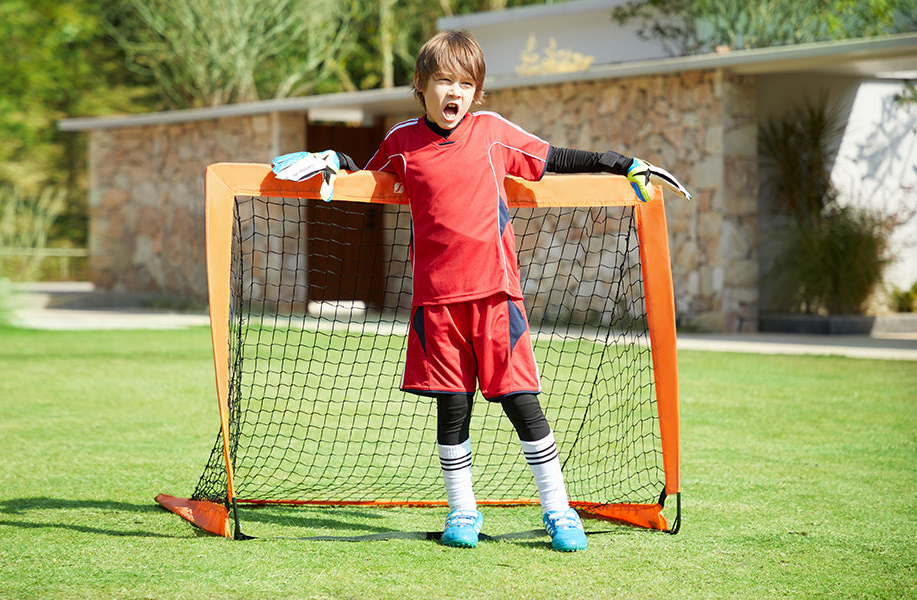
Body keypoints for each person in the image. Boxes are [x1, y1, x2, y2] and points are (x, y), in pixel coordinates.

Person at [273, 30, 666, 552]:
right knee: (452, 409)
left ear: (476, 92)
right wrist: (336, 160)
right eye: (443, 81)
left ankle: (559, 511)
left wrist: (620, 162)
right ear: (421, 86)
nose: (454, 91)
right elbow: (368, 176)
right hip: (436, 306)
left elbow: (555, 157)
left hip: (496, 298)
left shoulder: (492, 133)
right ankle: (463, 513)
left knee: (523, 403)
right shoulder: (401, 141)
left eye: (465, 82)